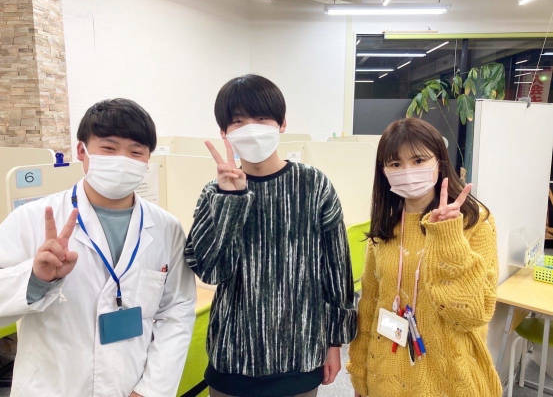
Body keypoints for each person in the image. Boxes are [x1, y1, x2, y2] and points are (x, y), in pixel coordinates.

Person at [0, 98, 196, 397]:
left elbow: (177, 311)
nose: (122, 159)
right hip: (52, 388)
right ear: (82, 151)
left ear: (148, 160)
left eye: (135, 152)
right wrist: (36, 279)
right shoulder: (32, 219)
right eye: (109, 148)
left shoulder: (166, 227)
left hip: (130, 386)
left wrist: (151, 390)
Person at [185, 74, 356, 397]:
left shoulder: (313, 184)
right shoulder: (214, 193)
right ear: (224, 132)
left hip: (299, 355)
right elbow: (209, 271)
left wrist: (335, 341)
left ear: (282, 123)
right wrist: (230, 200)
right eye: (238, 121)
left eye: (262, 118)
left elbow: (337, 269)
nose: (251, 128)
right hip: (233, 358)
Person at [347, 117, 502, 397]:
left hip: (451, 382)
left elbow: (475, 313)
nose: (407, 171)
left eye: (418, 160)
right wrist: (359, 372)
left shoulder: (474, 221)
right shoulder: (385, 226)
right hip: (387, 379)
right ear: (384, 171)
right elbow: (369, 304)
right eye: (395, 164)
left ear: (439, 162)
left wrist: (448, 237)